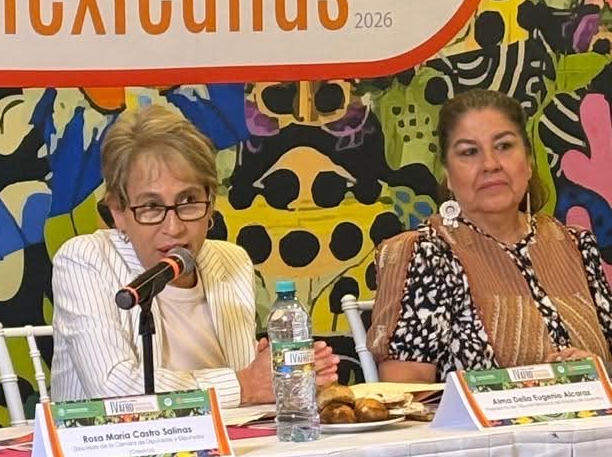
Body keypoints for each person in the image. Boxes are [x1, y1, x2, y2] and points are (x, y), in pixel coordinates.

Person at [51, 103, 339, 405]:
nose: (173, 228)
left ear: (211, 204)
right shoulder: (85, 259)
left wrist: (280, 372)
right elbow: (114, 391)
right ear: (118, 212)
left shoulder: (231, 261)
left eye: (188, 200)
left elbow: (250, 385)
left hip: (227, 433)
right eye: (151, 206)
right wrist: (245, 384)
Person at [367, 88, 612, 382]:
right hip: (474, 415)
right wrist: (528, 386)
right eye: (469, 152)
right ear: (447, 174)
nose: (490, 164)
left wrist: (596, 371)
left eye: (504, 146)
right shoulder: (425, 254)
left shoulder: (576, 244)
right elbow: (405, 390)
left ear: (529, 162)